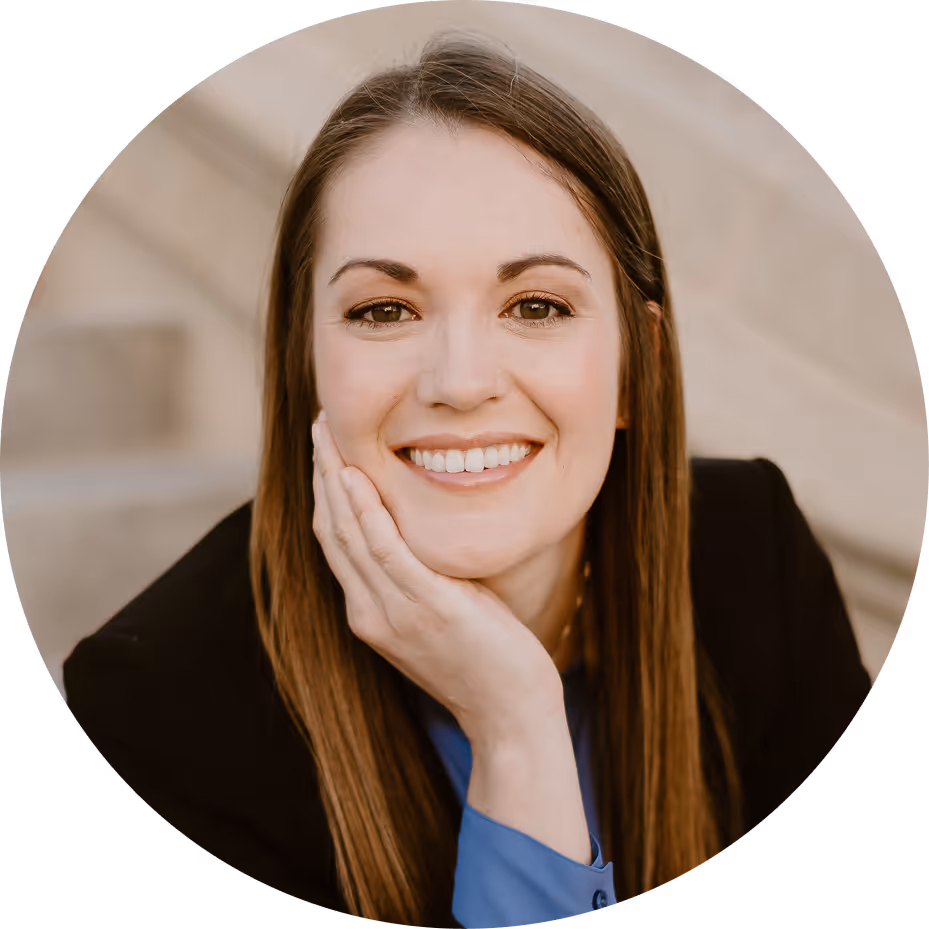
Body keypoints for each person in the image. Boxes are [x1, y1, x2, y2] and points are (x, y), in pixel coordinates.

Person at [63, 31, 872, 929]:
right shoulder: (156, 701)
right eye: (384, 310)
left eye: (536, 306)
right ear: (305, 362)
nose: (458, 380)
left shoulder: (754, 552)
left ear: (637, 366)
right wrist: (515, 723)